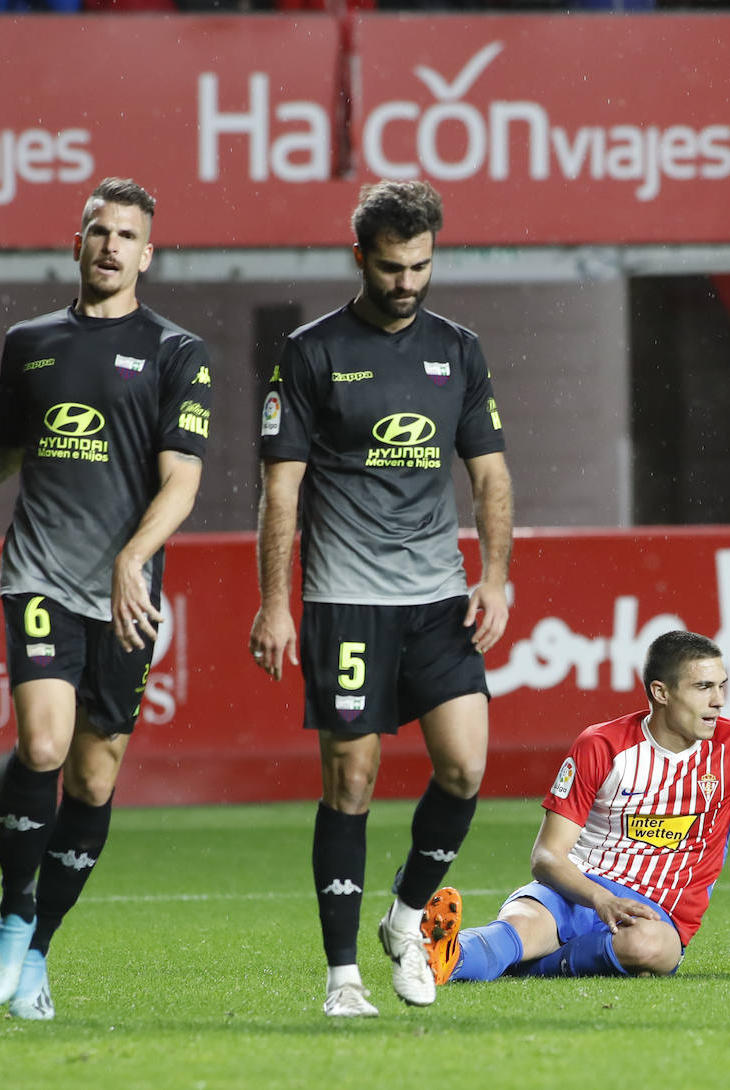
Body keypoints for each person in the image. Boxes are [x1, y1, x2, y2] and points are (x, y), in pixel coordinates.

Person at [0, 176, 211, 1021]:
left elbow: (184, 481)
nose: (111, 246)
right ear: (79, 240)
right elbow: (9, 445)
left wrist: (135, 555)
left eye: (127, 235)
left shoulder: (175, 352)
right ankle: (15, 915)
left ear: (147, 254)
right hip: (42, 572)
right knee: (45, 745)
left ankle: (43, 945)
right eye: (100, 231)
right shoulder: (31, 342)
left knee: (93, 783)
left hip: (124, 596)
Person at [248, 179, 513, 1018]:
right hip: (345, 596)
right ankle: (342, 978)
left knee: (466, 766)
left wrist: (496, 576)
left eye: (421, 265)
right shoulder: (311, 351)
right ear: (359, 256)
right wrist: (275, 603)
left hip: (437, 595)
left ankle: (403, 916)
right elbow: (279, 490)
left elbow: (491, 474)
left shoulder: (459, 349)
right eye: (393, 267)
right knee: (351, 782)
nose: (408, 282)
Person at [419, 630, 730, 985]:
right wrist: (599, 899)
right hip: (578, 890)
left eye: (722, 686)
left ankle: (518, 966)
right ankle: (441, 957)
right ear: (661, 693)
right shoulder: (602, 746)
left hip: (656, 913)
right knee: (518, 926)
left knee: (649, 948)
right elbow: (546, 857)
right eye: (703, 688)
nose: (719, 701)